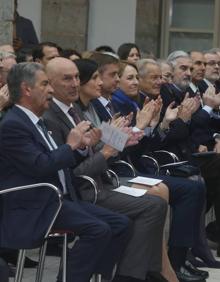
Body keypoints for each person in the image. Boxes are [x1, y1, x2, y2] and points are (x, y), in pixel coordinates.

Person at [0, 62, 131, 282]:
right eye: (45, 84)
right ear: (27, 89)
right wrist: (70, 145)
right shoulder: (13, 124)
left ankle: (96, 277)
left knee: (121, 224)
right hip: (34, 204)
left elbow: (57, 160)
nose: (50, 90)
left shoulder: (35, 121)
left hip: (60, 199)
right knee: (98, 230)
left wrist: (80, 147)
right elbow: (40, 166)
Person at [44, 57, 168, 282]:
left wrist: (122, 139)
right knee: (150, 207)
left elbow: (92, 147)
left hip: (100, 181)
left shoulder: (74, 111)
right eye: (67, 78)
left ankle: (135, 272)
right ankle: (131, 275)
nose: (74, 83)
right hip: (83, 190)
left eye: (76, 78)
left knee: (155, 202)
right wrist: (108, 151)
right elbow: (75, 173)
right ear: (50, 83)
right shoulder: (51, 117)